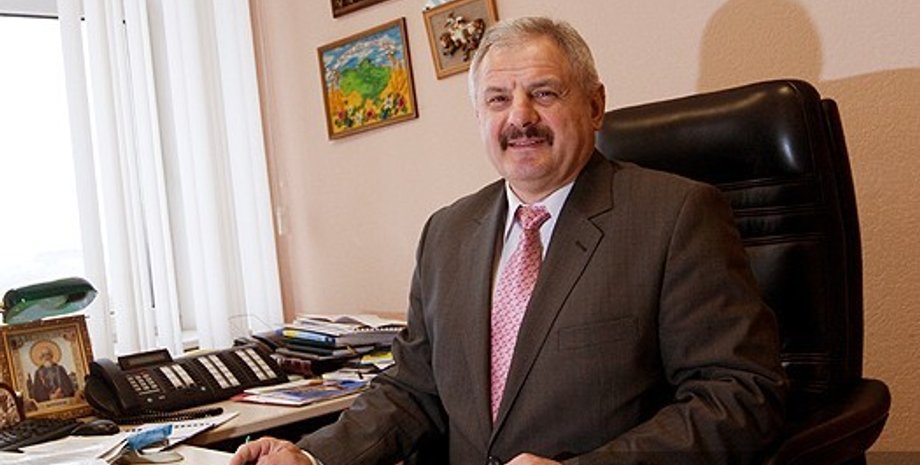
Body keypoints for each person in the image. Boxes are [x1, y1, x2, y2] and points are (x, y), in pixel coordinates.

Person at [230, 16, 787, 465]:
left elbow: (740, 395)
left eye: (543, 93)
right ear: (479, 115)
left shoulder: (675, 215)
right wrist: (314, 456)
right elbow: (414, 389)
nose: (520, 117)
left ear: (595, 106)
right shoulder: (447, 232)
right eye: (498, 99)